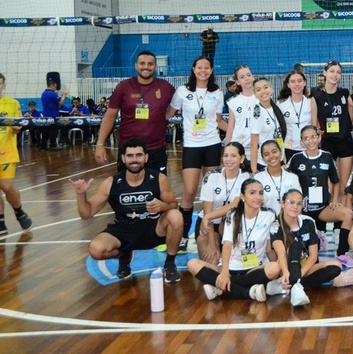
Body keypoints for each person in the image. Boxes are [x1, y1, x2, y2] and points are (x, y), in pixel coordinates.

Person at [71, 138, 183, 282]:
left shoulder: (159, 179)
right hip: (124, 230)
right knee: (96, 249)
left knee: (175, 216)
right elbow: (86, 214)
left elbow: (174, 205)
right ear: (123, 158)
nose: (134, 160)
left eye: (138, 155)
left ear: (146, 157)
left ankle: (170, 264)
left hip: (153, 229)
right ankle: (123, 255)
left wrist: (163, 206)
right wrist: (81, 195)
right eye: (130, 156)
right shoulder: (111, 183)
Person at [166, 56, 226, 252]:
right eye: (199, 67)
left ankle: (211, 234)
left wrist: (239, 132)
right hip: (192, 145)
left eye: (206, 67)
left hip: (212, 144)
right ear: (193, 69)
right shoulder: (182, 91)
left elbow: (219, 121)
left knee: (211, 192)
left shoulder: (217, 92)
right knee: (190, 192)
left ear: (211, 70)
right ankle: (182, 235)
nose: (203, 70)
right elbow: (168, 113)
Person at [187, 179, 281, 301]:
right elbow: (227, 245)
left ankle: (221, 288)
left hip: (254, 269)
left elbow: (269, 248)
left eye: (261, 193)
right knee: (192, 264)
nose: (258, 197)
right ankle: (247, 292)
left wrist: (278, 274)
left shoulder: (269, 215)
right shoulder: (233, 214)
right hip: (231, 267)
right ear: (242, 196)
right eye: (252, 193)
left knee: (275, 268)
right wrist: (224, 272)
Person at [95, 51, 176, 174]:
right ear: (136, 66)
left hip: (156, 149)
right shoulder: (123, 87)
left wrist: (166, 115)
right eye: (142, 63)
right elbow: (110, 116)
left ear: (155, 67)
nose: (146, 67)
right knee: (126, 185)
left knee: (159, 185)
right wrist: (100, 144)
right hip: (129, 150)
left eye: (150, 64)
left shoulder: (165, 87)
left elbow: (181, 104)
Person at [266, 189, 344, 306]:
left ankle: (293, 285)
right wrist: (286, 272)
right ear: (282, 204)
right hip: (286, 268)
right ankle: (294, 286)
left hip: (305, 268)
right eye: (291, 202)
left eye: (299, 203)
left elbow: (313, 255)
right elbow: (280, 252)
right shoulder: (275, 225)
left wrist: (300, 274)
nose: (295, 206)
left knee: (336, 266)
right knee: (295, 246)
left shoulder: (308, 222)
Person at [286, 126, 353, 259]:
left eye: (313, 137)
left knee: (348, 214)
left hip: (322, 208)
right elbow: (286, 178)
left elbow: (336, 181)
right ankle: (312, 240)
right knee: (309, 250)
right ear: (301, 142)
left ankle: (342, 254)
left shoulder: (327, 156)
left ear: (319, 138)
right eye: (306, 138)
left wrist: (334, 200)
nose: (310, 141)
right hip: (302, 209)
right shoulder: (296, 158)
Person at [195, 142, 250, 265]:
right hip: (209, 225)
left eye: (233, 156)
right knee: (213, 260)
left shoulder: (246, 178)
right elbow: (207, 212)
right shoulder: (211, 177)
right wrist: (211, 244)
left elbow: (235, 204)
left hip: (232, 224)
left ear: (241, 158)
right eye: (226, 155)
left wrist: (209, 216)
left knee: (234, 263)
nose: (228, 159)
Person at [313, 60, 353, 194]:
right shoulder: (317, 96)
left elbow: (351, 109)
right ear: (325, 73)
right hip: (327, 142)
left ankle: (341, 207)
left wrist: (346, 124)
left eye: (338, 72)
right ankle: (330, 206)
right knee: (329, 185)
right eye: (332, 71)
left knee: (343, 185)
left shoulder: (344, 93)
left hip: (345, 141)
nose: (335, 75)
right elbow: (314, 121)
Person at [0, 73, 33, 235]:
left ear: (4, 85)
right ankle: (0, 220)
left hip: (6, 152)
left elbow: (18, 127)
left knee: (6, 186)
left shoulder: (12, 103)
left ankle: (19, 211)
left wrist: (15, 128)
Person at [277, 69, 319, 161]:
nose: (297, 84)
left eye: (299, 81)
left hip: (308, 147)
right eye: (293, 82)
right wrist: (281, 152)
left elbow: (314, 126)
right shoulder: (281, 104)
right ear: (288, 85)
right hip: (289, 148)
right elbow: (278, 130)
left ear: (304, 83)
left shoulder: (310, 101)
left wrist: (315, 147)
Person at [254, 139, 301, 216]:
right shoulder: (258, 178)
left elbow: (298, 205)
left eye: (274, 152)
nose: (271, 156)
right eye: (266, 154)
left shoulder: (293, 178)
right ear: (262, 158)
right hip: (266, 220)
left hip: (289, 220)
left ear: (281, 153)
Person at [248, 77, 287, 172]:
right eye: (258, 90)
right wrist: (254, 170)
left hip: (279, 159)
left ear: (272, 89)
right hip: (264, 162)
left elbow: (279, 135)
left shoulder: (276, 108)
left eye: (265, 87)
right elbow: (253, 144)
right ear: (255, 94)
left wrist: (284, 158)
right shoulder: (257, 112)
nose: (263, 91)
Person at [224, 65, 257, 151]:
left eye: (248, 75)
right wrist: (227, 151)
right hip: (239, 148)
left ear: (253, 77)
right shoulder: (233, 101)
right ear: (238, 82)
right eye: (242, 77)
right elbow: (230, 128)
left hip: (258, 147)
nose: (246, 79)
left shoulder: (262, 99)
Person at [41, 74, 67, 150]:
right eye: (55, 86)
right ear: (52, 85)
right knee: (53, 131)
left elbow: (53, 103)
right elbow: (60, 103)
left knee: (46, 131)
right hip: (53, 116)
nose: (56, 88)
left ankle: (43, 146)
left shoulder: (43, 93)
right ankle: (53, 145)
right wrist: (64, 95)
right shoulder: (53, 94)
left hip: (46, 115)